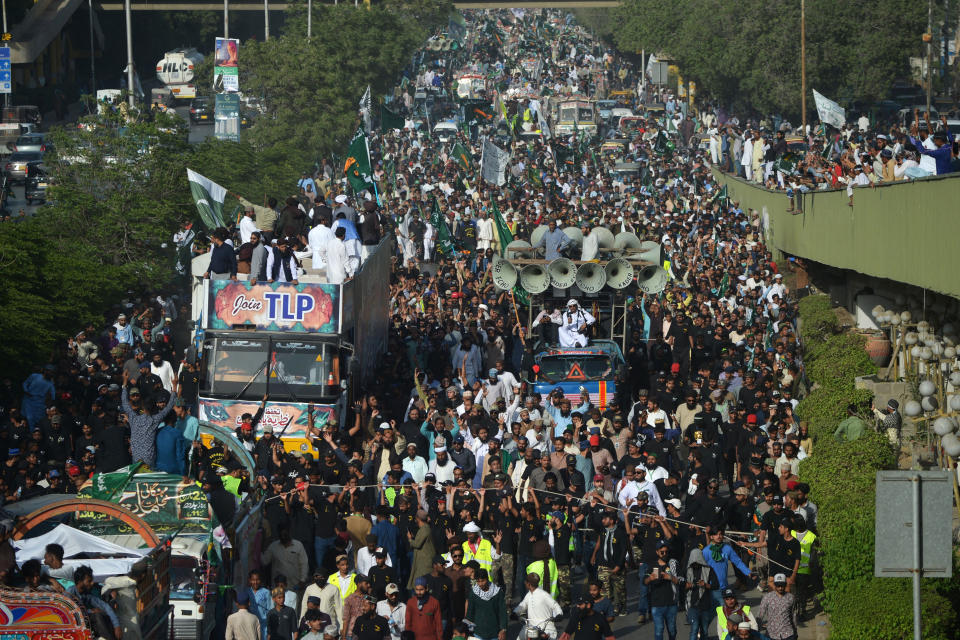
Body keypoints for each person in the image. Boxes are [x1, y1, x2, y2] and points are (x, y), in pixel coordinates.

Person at [68, 565, 122, 640]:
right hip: (72, 624)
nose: (92, 583)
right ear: (80, 582)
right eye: (89, 581)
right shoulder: (69, 593)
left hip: (84, 622)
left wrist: (117, 626)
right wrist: (90, 611)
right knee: (97, 615)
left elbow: (104, 606)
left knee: (106, 613)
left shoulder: (86, 594)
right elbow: (69, 612)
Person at [644, 541, 679, 640]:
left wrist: (670, 577)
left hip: (671, 604)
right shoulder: (652, 566)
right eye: (662, 552)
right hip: (657, 605)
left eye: (666, 552)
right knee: (659, 630)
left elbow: (681, 581)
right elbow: (644, 582)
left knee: (672, 630)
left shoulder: (672, 564)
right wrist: (650, 578)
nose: (664, 554)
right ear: (657, 552)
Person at [514, 573, 563, 640]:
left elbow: (555, 605)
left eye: (525, 582)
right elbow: (522, 606)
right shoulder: (529, 595)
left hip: (546, 627)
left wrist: (559, 614)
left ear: (528, 584)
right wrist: (515, 613)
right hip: (531, 628)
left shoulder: (544, 595)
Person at [464, 568, 506, 640]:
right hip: (478, 633)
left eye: (483, 581)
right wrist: (469, 631)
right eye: (478, 581)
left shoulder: (498, 592)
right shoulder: (473, 593)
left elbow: (502, 612)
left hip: (495, 633)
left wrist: (503, 629)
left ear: (487, 579)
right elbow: (470, 613)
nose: (480, 584)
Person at [752, 574, 797, 640]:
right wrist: (756, 631)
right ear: (774, 585)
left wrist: (795, 631)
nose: (780, 588)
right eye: (778, 586)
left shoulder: (791, 598)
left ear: (785, 585)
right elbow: (760, 614)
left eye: (782, 585)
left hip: (788, 634)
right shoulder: (767, 597)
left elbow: (793, 615)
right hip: (772, 634)